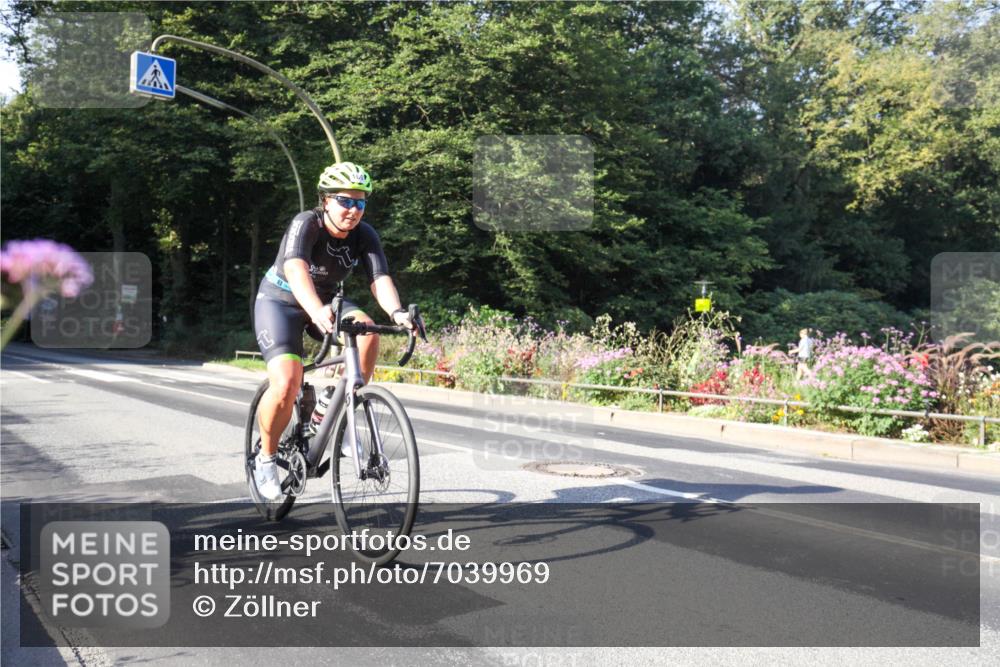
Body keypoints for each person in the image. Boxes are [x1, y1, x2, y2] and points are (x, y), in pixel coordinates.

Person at [252, 162, 416, 500]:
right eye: (345, 201)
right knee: (287, 382)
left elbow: (379, 278)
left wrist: (398, 312)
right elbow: (296, 268)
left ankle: (336, 401)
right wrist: (314, 310)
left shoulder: (364, 234)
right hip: (280, 301)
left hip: (327, 300)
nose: (353, 211)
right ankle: (265, 458)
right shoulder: (305, 223)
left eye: (360, 203)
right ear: (326, 200)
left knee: (369, 331)